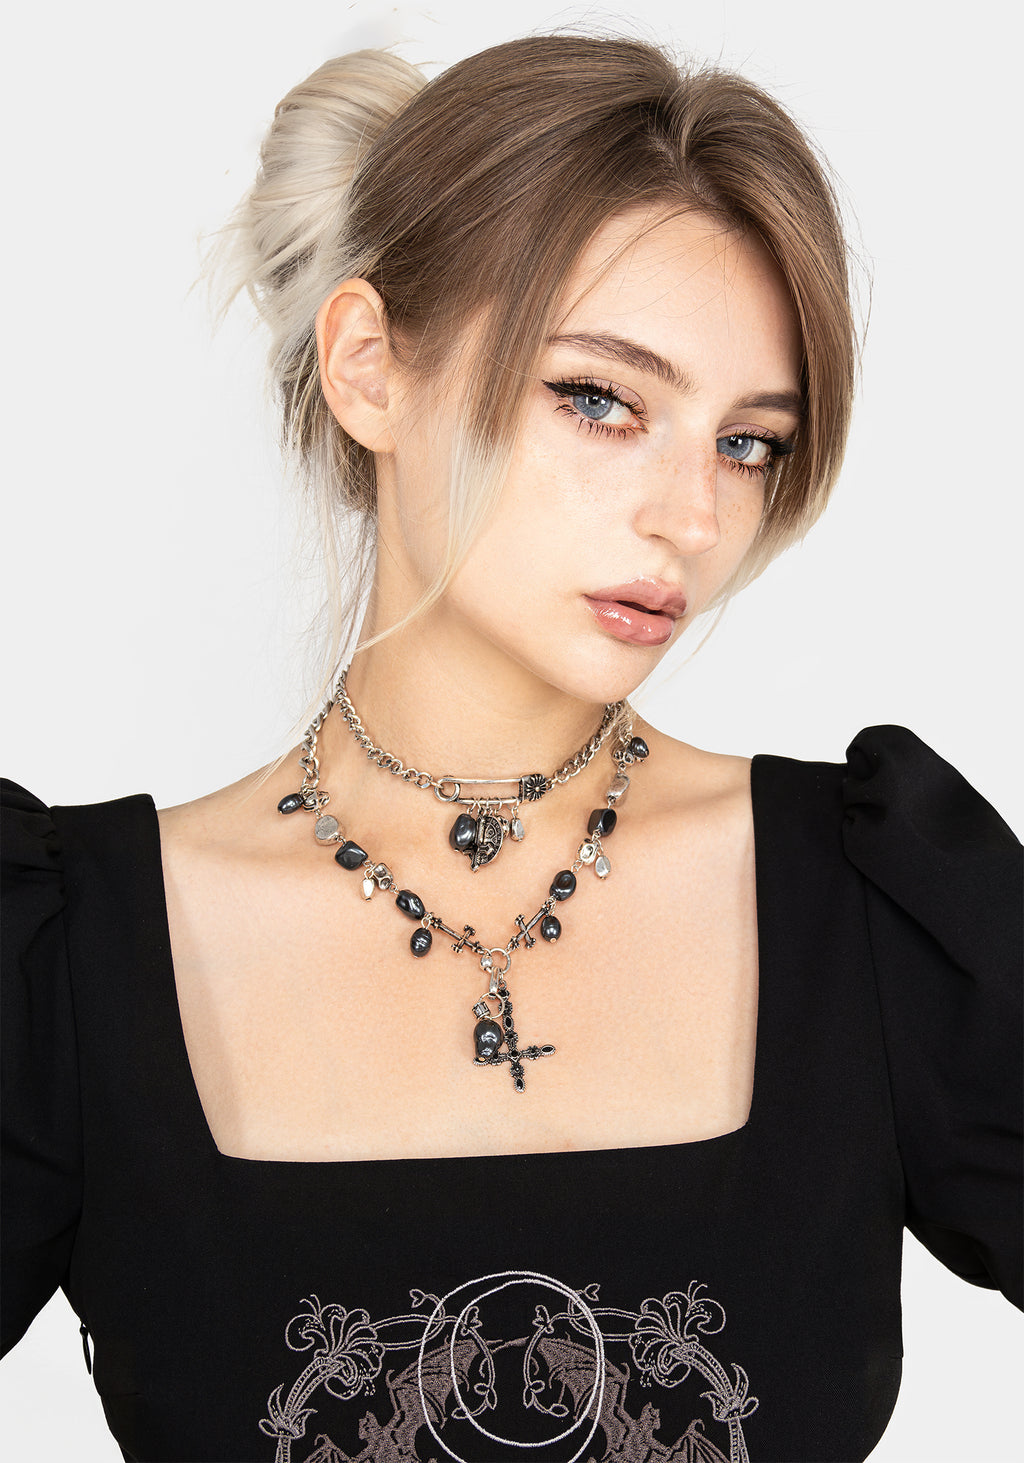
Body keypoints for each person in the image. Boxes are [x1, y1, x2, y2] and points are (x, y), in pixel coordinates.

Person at [2, 31, 1020, 1463]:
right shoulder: (66, 960)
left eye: (747, 442)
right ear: (369, 368)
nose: (693, 518)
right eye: (602, 400)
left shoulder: (886, 912)